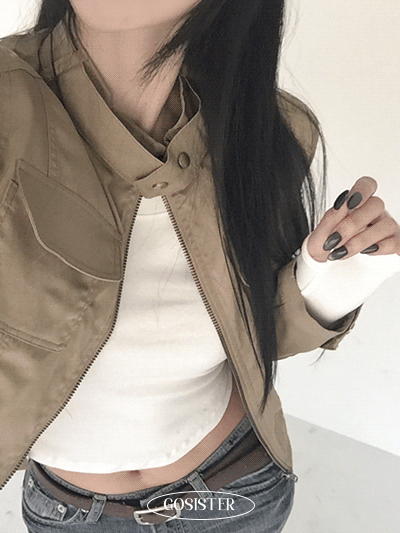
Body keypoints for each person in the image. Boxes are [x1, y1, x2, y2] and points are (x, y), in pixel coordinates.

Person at [0, 0, 399, 531]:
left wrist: (327, 284)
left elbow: (252, 338)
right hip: (69, 512)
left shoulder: (268, 130)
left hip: (237, 489)